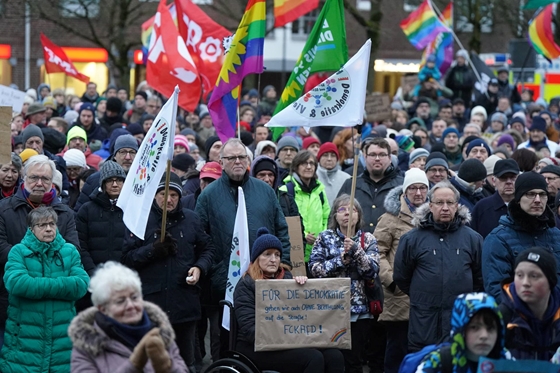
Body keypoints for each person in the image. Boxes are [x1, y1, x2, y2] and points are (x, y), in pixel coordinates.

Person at [196, 138, 290, 358]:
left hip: (265, 280)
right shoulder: (208, 196)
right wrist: (213, 269)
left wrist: (283, 266)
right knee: (223, 337)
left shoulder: (265, 192)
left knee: (262, 333)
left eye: (242, 157)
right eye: (231, 158)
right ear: (221, 161)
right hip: (221, 282)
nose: (237, 162)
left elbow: (281, 230)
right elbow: (200, 238)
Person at [122, 172, 214, 372]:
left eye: (174, 195)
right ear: (155, 195)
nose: (169, 199)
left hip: (184, 306)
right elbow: (127, 259)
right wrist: (152, 250)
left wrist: (199, 268)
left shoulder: (191, 219)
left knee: (184, 363)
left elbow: (208, 249)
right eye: (163, 194)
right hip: (150, 307)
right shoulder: (141, 219)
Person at [0, 156, 94, 340]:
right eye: (34, 177)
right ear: (23, 178)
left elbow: (73, 249)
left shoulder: (65, 213)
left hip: (55, 310)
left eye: (45, 179)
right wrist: (32, 262)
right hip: (11, 304)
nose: (39, 183)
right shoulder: (4, 209)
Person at [234, 227, 345, 373]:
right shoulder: (246, 285)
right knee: (313, 358)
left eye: (277, 255)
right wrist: (287, 335)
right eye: (267, 254)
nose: (273, 259)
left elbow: (304, 316)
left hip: (290, 340)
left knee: (334, 355)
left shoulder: (287, 279)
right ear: (256, 258)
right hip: (255, 346)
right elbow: (250, 329)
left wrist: (302, 289)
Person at [394, 181, 483, 352]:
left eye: (449, 203)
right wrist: (424, 295)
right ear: (430, 205)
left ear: (457, 206)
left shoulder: (473, 239)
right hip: (424, 320)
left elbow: (479, 277)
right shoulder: (412, 239)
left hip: (459, 320)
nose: (445, 208)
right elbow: (401, 276)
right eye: (439, 203)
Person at [0, 206, 89, 372]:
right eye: (42, 225)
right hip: (25, 339)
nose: (48, 229)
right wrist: (62, 286)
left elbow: (81, 285)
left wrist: (38, 286)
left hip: (61, 340)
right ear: (31, 229)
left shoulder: (69, 251)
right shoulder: (18, 252)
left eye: (51, 224)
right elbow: (17, 283)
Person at [68, 261, 188, 372]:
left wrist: (166, 366)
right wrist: (134, 365)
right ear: (102, 309)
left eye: (134, 297)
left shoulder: (159, 332)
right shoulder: (86, 347)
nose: (130, 305)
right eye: (120, 301)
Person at [309, 194, 379, 373]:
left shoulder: (368, 239)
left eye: (352, 209)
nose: (347, 213)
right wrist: (340, 261)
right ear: (335, 215)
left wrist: (357, 251)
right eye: (342, 210)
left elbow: (372, 271)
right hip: (330, 309)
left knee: (354, 361)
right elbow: (315, 270)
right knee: (333, 360)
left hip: (359, 311)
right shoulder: (324, 238)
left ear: (359, 215)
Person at [374, 168, 429, 373]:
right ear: (405, 191)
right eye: (413, 188)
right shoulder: (390, 218)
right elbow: (376, 252)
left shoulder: (434, 216)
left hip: (427, 297)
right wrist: (392, 280)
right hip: (399, 297)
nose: (418, 193)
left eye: (422, 188)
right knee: (397, 351)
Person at [482, 172, 560, 301]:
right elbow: (497, 289)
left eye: (542, 194)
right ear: (518, 198)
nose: (537, 200)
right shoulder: (498, 239)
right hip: (518, 317)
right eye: (530, 194)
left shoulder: (556, 235)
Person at [416, 293, 511, 372]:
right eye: (474, 327)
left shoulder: (507, 360)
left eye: (490, 328)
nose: (484, 335)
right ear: (460, 330)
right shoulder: (437, 362)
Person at [500, 247, 560, 360]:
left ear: (550, 281)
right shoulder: (502, 318)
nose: (525, 283)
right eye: (519, 275)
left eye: (534, 276)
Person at [338, 137, 404, 233]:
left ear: (390, 158)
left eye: (382, 155)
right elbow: (335, 215)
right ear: (365, 157)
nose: (377, 159)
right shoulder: (351, 184)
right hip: (355, 244)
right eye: (372, 155)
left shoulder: (402, 186)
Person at [279, 150, 330, 264]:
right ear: (296, 167)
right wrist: (303, 235)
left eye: (312, 163)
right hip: (295, 253)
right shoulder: (285, 191)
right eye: (304, 163)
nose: (308, 167)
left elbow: (327, 217)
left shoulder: (320, 191)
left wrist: (322, 237)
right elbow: (282, 221)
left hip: (318, 253)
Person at [76, 161, 126, 266]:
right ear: (102, 183)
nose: (115, 184)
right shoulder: (86, 210)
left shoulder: (131, 209)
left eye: (119, 180)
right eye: (110, 181)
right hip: (95, 274)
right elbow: (81, 246)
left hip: (125, 276)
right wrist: (93, 273)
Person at [74, 134, 138, 211]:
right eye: (123, 152)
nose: (128, 157)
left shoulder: (144, 180)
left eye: (132, 152)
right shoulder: (95, 180)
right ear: (114, 155)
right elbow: (80, 214)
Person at [471, 159, 520, 239]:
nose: (508, 182)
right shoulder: (482, 207)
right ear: (494, 181)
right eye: (503, 178)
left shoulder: (525, 206)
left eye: (513, 177)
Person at [316, 142, 350, 207]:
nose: (329, 159)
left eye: (333, 155)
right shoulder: (312, 177)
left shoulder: (346, 178)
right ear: (319, 158)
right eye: (325, 155)